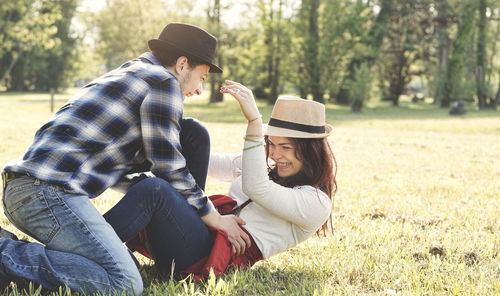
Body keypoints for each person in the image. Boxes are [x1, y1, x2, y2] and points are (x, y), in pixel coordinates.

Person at [0, 23, 248, 295]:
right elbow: (168, 165)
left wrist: (162, 202)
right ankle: (6, 252)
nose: (200, 89)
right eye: (202, 77)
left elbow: (110, 162)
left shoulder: (133, 72)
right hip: (47, 195)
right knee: (124, 283)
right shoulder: (164, 83)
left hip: (28, 191)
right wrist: (214, 217)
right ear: (182, 64)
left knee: (123, 265)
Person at [102, 80, 337, 280]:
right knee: (194, 133)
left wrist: (254, 122)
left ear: (310, 151)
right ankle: (110, 162)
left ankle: (87, 244)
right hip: (199, 230)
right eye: (271, 144)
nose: (275, 154)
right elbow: (204, 159)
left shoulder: (315, 202)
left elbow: (257, 188)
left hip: (207, 257)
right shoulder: (266, 167)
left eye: (285, 147)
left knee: (155, 189)